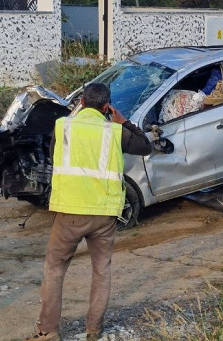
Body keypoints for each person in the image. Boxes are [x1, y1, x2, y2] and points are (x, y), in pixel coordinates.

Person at [27, 83, 151, 341]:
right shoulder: (115, 131)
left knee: (54, 269)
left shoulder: (63, 126)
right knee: (101, 270)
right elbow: (144, 146)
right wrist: (124, 121)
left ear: (81, 102)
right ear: (107, 107)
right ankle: (93, 329)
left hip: (70, 212)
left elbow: (53, 156)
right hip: (104, 213)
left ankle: (48, 331)